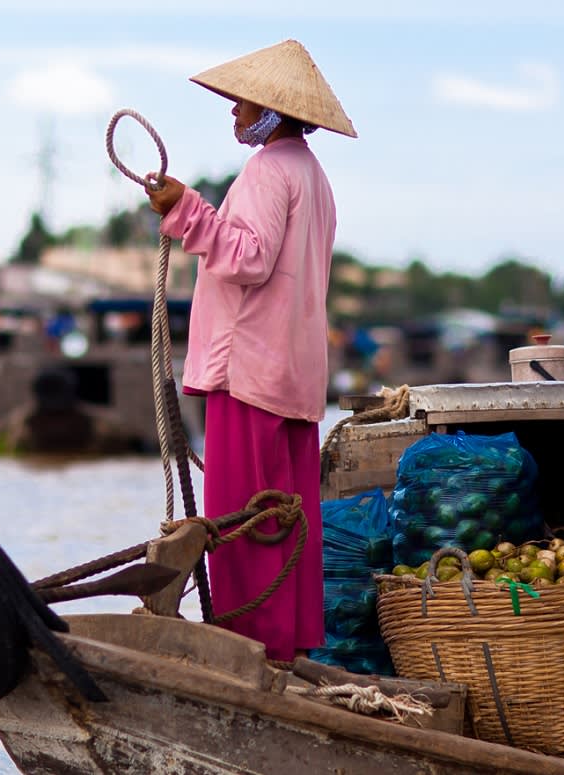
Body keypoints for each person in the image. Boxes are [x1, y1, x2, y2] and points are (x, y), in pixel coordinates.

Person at [140, 39, 357, 662]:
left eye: (241, 104)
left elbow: (248, 257)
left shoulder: (268, 170)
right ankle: (285, 649)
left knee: (242, 520)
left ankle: (246, 650)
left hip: (251, 372)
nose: (234, 113)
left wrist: (184, 211)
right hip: (293, 374)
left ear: (273, 111)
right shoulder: (314, 176)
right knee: (286, 518)